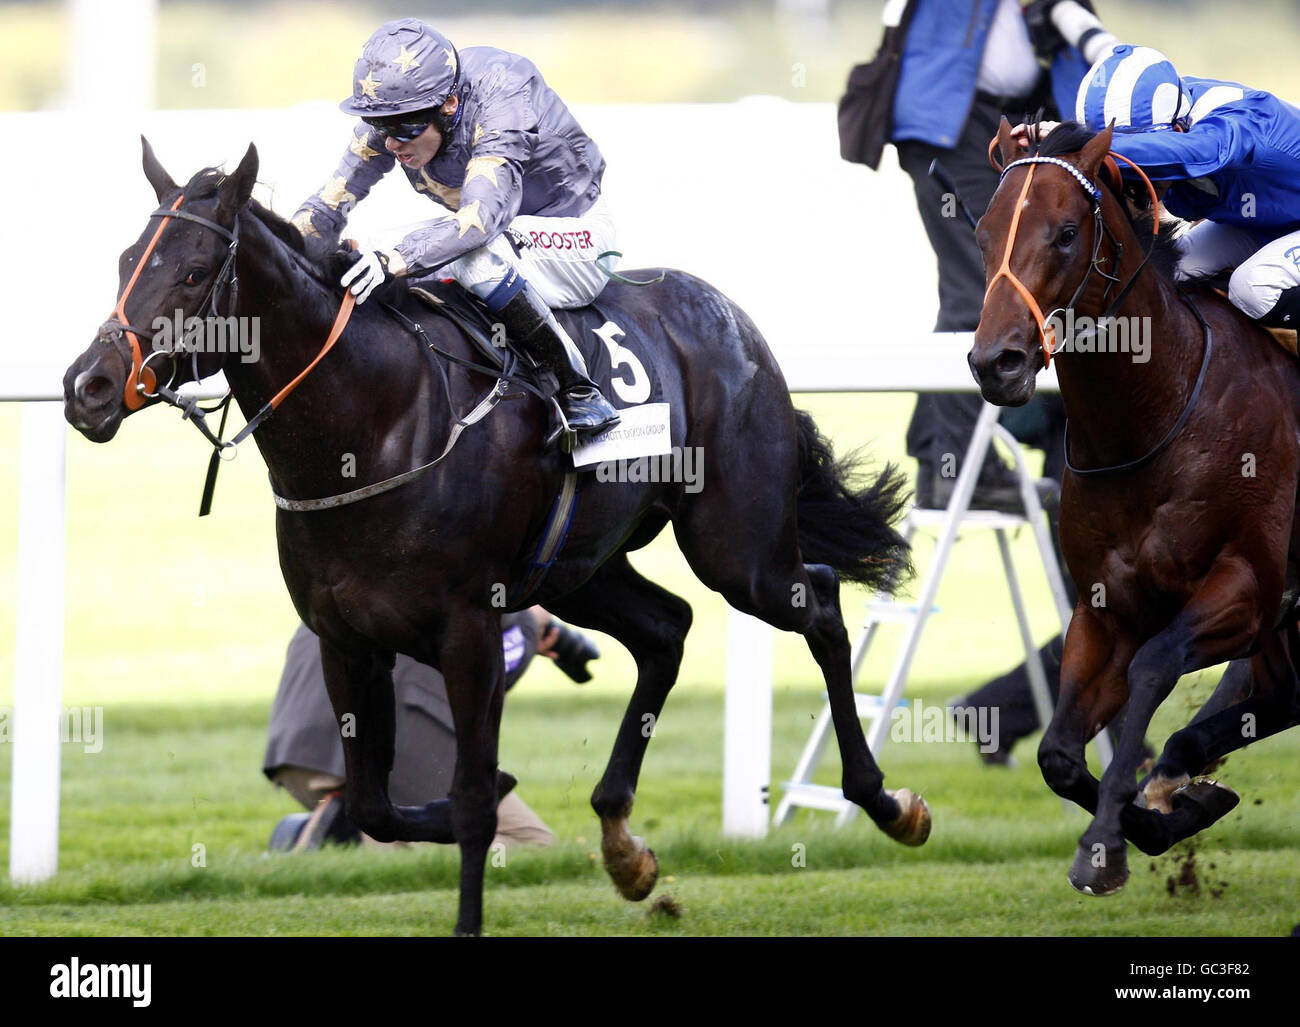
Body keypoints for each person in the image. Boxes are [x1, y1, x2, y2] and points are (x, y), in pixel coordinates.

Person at [291, 17, 620, 438]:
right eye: (381, 127)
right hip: (507, 234)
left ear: (448, 106)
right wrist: (270, 251)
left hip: (577, 234)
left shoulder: (503, 95)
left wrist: (396, 259)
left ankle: (579, 392)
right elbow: (327, 206)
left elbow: (479, 221)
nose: (391, 143)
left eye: (405, 129)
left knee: (470, 259)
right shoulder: (403, 109)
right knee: (363, 248)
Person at [887, 0, 1116, 513]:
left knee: (1013, 284)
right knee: (988, 287)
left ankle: (937, 455)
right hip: (954, 123)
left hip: (1021, 114)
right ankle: (964, 467)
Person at [264, 606, 600, 852]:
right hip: (385, 757)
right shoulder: (485, 574)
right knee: (534, 845)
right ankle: (349, 837)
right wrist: (531, 624)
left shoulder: (354, 556)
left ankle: (311, 835)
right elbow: (487, 679)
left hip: (298, 754)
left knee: (405, 827)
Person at [1025, 42, 1300, 330]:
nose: (1135, 182)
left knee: (1254, 288)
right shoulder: (1172, 112)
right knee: (1165, 271)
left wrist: (1083, 145)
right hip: (1260, 225)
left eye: (1142, 169)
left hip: (1279, 225)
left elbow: (1196, 151)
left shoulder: (1242, 119)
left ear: (1178, 129)